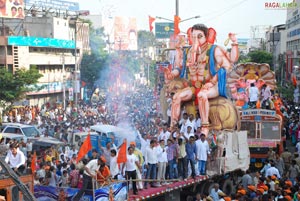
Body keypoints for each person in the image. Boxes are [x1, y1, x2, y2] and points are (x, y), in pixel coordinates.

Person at [166, 24, 238, 136]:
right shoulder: (188, 52)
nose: (196, 40)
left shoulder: (214, 50)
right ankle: (173, 127)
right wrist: (171, 74)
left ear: (206, 36)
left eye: (199, 36)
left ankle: (205, 126)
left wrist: (213, 81)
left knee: (202, 95)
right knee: (176, 97)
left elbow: (227, 66)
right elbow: (179, 68)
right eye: (193, 37)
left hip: (211, 86)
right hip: (194, 86)